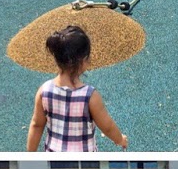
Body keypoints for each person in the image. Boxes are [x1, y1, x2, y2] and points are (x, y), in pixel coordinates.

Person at [26, 25, 129, 153]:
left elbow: (37, 125)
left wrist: (30, 154)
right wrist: (120, 139)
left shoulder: (44, 91)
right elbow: (107, 127)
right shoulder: (89, 96)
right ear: (82, 60)